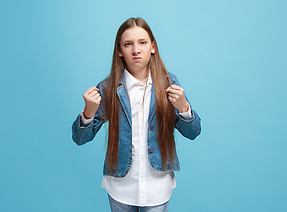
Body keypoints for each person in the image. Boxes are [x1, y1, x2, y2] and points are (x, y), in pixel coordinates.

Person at [72, 17, 201, 212]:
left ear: (153, 47)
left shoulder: (169, 83)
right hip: (120, 186)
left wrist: (183, 107)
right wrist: (88, 112)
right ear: (119, 51)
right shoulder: (108, 88)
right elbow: (80, 138)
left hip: (157, 185)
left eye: (142, 42)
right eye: (128, 44)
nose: (136, 50)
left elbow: (193, 132)